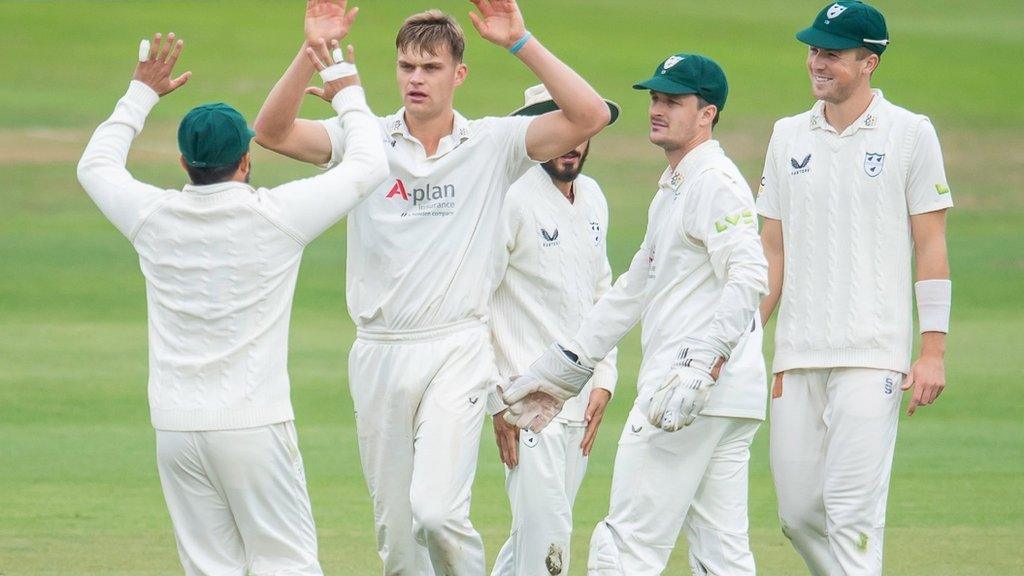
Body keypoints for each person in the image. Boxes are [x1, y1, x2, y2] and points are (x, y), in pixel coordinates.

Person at [252, 1, 611, 573]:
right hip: (378, 351)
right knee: (398, 537)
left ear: (458, 74)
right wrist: (312, 51)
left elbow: (590, 115)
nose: (416, 79)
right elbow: (270, 132)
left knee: (438, 514)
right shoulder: (365, 140)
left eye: (431, 67)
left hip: (456, 348)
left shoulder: (492, 144)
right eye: (406, 67)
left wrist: (521, 41)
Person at [76, 32, 388, 575]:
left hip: (175, 429)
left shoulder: (153, 217)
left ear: (183, 161)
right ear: (245, 159)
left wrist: (139, 94)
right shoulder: (277, 215)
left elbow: (94, 167)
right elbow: (368, 166)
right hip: (254, 424)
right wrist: (346, 89)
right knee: (287, 565)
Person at [503, 53, 769, 576]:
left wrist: (700, 363)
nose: (657, 109)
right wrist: (563, 370)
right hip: (726, 399)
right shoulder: (674, 187)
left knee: (622, 550)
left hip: (686, 391)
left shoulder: (713, 180)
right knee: (722, 555)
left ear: (706, 114)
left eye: (674, 101)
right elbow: (632, 289)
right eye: (655, 98)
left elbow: (750, 274)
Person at [757, 2, 953, 574]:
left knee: (851, 511)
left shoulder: (911, 134)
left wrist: (933, 351)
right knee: (796, 513)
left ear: (868, 62)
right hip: (797, 352)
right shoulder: (786, 134)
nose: (817, 62)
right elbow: (773, 251)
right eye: (814, 50)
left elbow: (932, 245)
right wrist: (745, 340)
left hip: (873, 353)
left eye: (833, 54)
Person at [487, 85, 620, 576]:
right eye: (557, 128)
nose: (571, 143)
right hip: (524, 398)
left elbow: (601, 294)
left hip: (579, 402)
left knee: (534, 537)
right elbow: (474, 303)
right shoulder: (510, 198)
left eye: (579, 130)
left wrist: (605, 376)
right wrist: (495, 398)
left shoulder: (594, 198)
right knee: (548, 543)